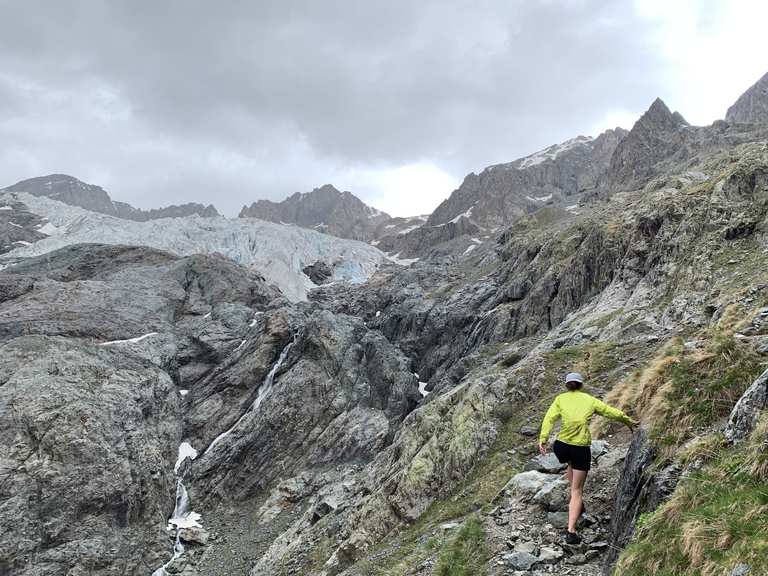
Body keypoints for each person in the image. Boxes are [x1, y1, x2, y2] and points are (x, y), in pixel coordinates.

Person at [538, 372, 638, 545]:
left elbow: (549, 418)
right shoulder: (590, 400)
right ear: (581, 385)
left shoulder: (560, 399)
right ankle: (571, 531)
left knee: (571, 466)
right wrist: (628, 421)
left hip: (561, 446)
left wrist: (543, 439)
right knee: (577, 490)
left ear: (567, 385)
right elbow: (611, 412)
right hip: (579, 448)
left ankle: (577, 504)